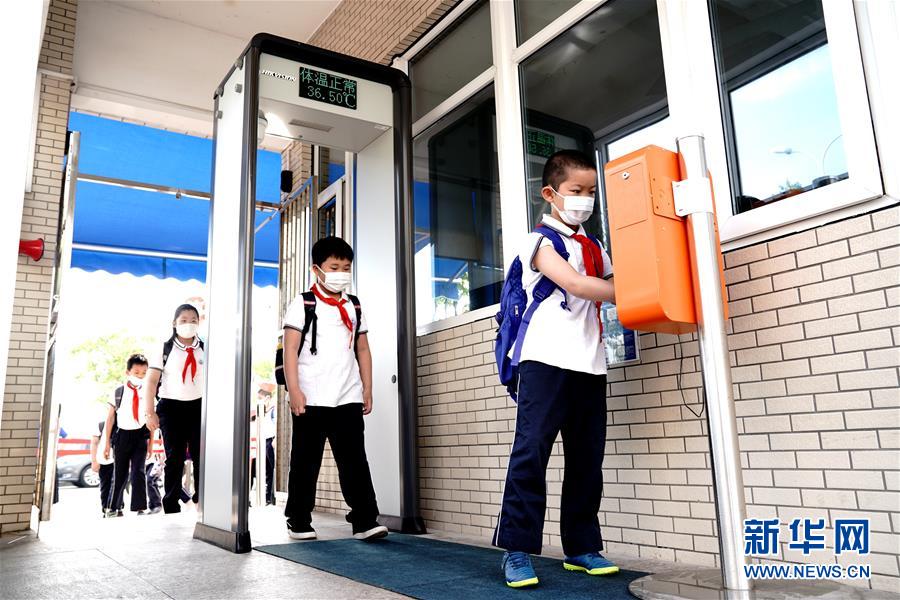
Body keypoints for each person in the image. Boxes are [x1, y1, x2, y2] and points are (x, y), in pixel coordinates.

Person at [493, 150, 619, 588]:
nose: (585, 199)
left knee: (587, 460)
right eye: (576, 191)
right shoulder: (538, 242)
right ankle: (516, 550)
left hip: (590, 364)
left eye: (591, 192)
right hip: (544, 361)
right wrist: (629, 289)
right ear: (550, 194)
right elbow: (577, 284)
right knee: (531, 453)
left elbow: (610, 280)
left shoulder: (595, 247)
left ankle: (581, 547)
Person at [282, 236, 387, 541]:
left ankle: (364, 520)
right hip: (311, 397)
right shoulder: (303, 303)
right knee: (305, 462)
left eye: (346, 267)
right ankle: (298, 519)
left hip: (348, 396)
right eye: (334, 267)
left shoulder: (354, 305)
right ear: (317, 269)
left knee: (354, 462)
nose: (341, 273)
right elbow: (290, 350)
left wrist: (367, 388)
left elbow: (363, 349)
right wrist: (294, 390)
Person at [144, 304, 204, 514]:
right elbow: (151, 382)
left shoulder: (205, 348)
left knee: (201, 456)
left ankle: (202, 498)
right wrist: (150, 412)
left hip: (198, 407)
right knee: (175, 457)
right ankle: (171, 504)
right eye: (184, 320)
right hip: (171, 408)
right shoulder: (164, 349)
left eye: (193, 320)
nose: (189, 324)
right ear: (174, 323)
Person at [104, 353, 151, 517]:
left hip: (141, 435)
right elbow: (110, 418)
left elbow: (151, 419)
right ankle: (114, 507)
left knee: (138, 472)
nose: (140, 376)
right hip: (122, 436)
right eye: (136, 372)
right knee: (120, 473)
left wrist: (151, 445)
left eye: (144, 373)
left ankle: (140, 507)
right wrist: (106, 443)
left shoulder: (148, 391)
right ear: (128, 372)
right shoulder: (119, 391)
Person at [250, 388, 276, 506]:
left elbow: (275, 426)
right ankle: (266, 497)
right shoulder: (263, 412)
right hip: (263, 442)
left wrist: (275, 439)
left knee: (271, 469)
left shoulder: (273, 410)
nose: (259, 401)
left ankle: (269, 496)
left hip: (270, 441)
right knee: (265, 470)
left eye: (260, 398)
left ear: (267, 398)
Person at [90, 416, 120, 516]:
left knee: (118, 483)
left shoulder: (122, 423)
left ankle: (118, 507)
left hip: (119, 459)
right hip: (104, 460)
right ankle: (105, 507)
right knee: (105, 485)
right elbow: (94, 443)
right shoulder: (101, 425)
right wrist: (94, 461)